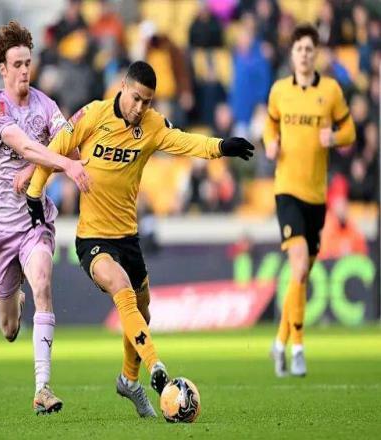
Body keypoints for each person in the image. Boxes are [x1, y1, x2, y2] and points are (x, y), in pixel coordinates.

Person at [25, 61, 254, 417]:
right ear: (122, 87)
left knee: (142, 311)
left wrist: (221, 146)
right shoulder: (93, 115)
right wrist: (34, 195)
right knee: (122, 289)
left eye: (147, 101)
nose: (140, 107)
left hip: (128, 239)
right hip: (93, 239)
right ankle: (156, 367)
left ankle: (128, 380)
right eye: (136, 98)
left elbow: (185, 142)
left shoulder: (151, 125)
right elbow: (54, 150)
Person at [0, 21, 89, 415]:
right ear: (3, 69)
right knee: (9, 329)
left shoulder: (46, 105)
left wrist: (41, 168)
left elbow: (69, 144)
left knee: (43, 282)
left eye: (28, 62)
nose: (25, 70)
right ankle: (16, 298)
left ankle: (42, 388)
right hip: (0, 227)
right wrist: (59, 162)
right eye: (17, 64)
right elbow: (26, 145)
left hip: (33, 220)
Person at [264, 24, 355, 378]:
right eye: (299, 48)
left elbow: (350, 130)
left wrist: (334, 137)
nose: (304, 54)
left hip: (317, 195)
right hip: (287, 189)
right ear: (292, 54)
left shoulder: (330, 91)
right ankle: (299, 348)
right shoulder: (279, 91)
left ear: (316, 55)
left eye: (309, 49)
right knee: (299, 266)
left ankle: (279, 341)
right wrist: (270, 143)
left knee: (301, 276)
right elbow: (270, 126)